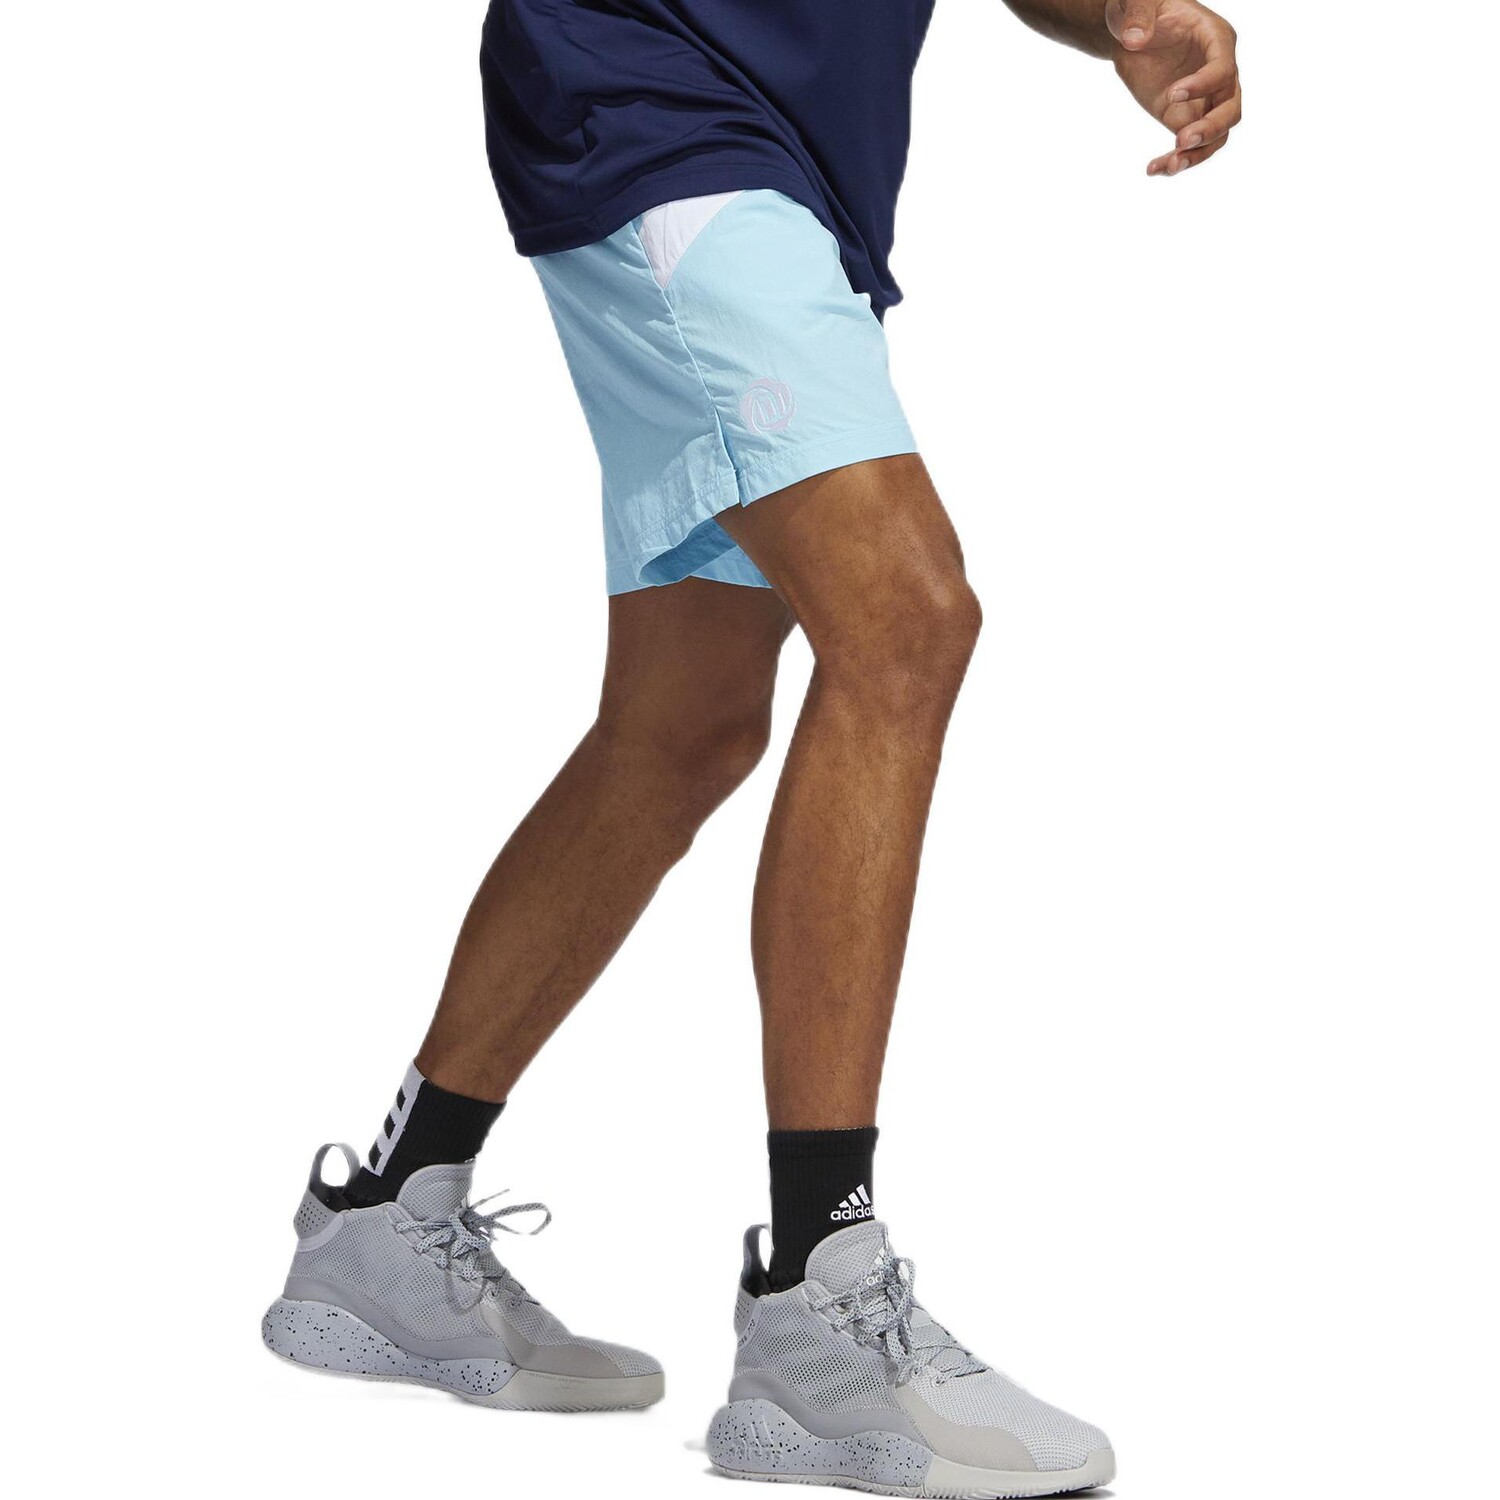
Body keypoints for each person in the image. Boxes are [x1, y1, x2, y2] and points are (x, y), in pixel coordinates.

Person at [262, 1, 1241, 1490]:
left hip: (787, 165)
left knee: (683, 726)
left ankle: (390, 1220)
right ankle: (818, 1306)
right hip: (654, 103)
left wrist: (1111, 16)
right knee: (904, 621)